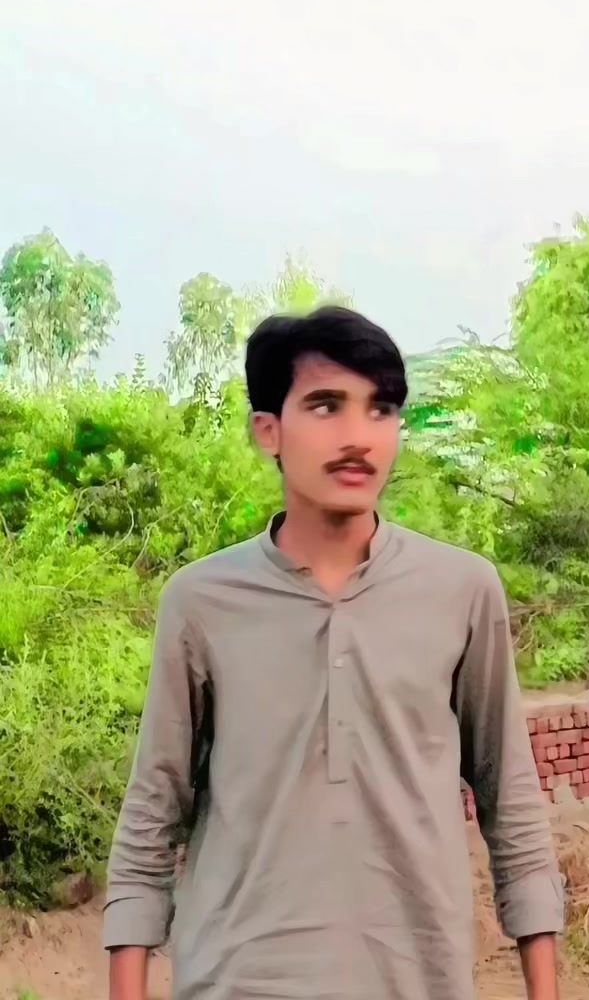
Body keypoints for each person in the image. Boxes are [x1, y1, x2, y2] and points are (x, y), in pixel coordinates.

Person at [104, 306, 563, 1000]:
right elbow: (152, 812)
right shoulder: (200, 602)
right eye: (325, 405)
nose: (358, 437)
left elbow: (513, 804)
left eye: (381, 409)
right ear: (268, 430)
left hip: (418, 980)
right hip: (235, 981)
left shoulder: (462, 590)